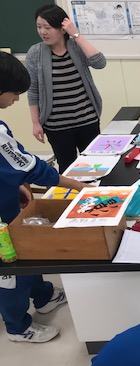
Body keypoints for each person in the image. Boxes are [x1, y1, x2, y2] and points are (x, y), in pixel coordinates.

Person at [0, 52, 89, 343]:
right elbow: (30, 167)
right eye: (14, 93)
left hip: (8, 201)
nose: (16, 99)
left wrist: (15, 185)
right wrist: (75, 185)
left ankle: (43, 295)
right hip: (1, 219)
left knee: (28, 249)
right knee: (10, 269)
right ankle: (17, 326)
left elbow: (10, 164)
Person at [26, 4, 106, 173]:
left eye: (47, 27)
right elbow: (33, 91)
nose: (43, 32)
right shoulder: (35, 53)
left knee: (95, 166)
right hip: (56, 126)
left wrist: (76, 35)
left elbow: (100, 63)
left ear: (62, 29)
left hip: (87, 121)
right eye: (39, 27)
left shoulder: (76, 47)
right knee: (67, 168)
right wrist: (35, 123)